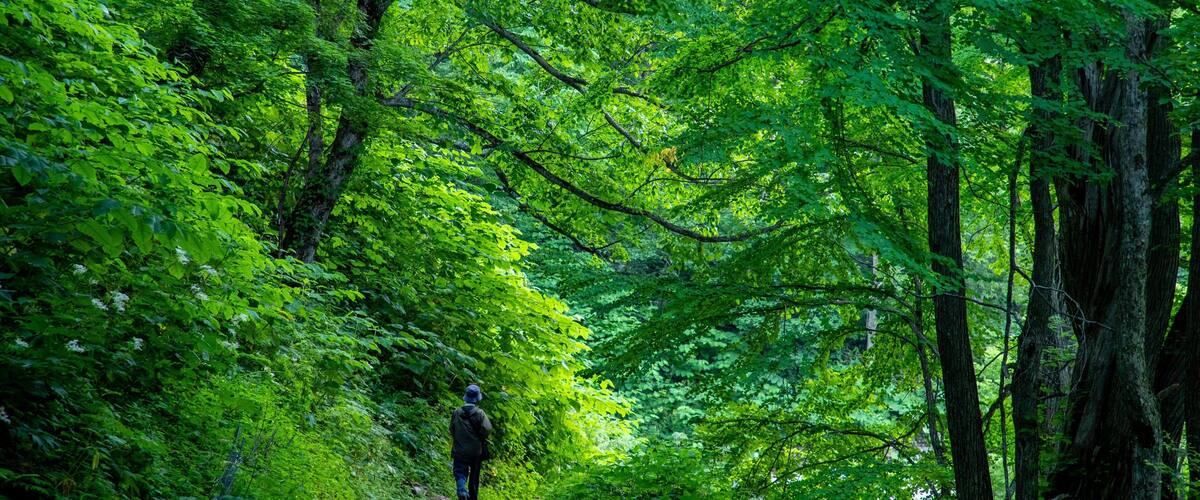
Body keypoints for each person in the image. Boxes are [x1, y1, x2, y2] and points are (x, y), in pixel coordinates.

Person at [450, 384, 492, 500]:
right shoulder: (480, 414)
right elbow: (487, 430)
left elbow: (452, 429)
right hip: (475, 451)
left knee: (459, 471)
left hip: (459, 449)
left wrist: (459, 439)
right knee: (474, 476)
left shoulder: (456, 412)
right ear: (477, 398)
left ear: (465, 397)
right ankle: (473, 497)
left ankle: (461, 489)